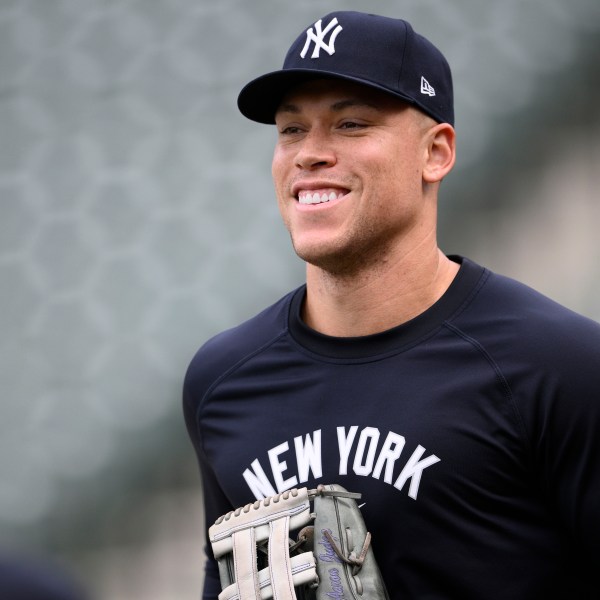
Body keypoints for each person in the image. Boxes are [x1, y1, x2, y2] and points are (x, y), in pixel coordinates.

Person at [183, 10, 600, 599]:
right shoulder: (222, 380)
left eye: (350, 124)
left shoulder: (561, 364)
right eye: (291, 130)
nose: (310, 154)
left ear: (436, 152)